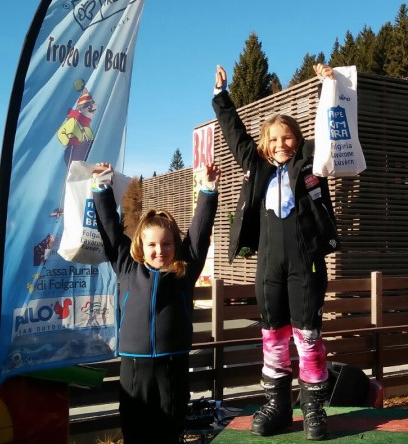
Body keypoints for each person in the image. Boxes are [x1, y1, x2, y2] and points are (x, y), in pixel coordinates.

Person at [212, 63, 339, 440]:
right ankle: (278, 406)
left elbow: (327, 130)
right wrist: (221, 96)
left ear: (297, 141)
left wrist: (327, 88)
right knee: (273, 336)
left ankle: (313, 409)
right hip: (268, 268)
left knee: (308, 336)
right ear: (265, 145)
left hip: (306, 267)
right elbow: (236, 135)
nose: (280, 144)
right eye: (273, 139)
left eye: (287, 138)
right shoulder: (257, 168)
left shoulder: (311, 165)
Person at [91, 161, 220, 443]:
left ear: (175, 245)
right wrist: (102, 188)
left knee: (169, 431)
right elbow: (111, 230)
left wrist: (208, 190)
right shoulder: (126, 265)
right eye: (152, 245)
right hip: (133, 366)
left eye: (166, 244)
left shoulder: (184, 270)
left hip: (172, 366)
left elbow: (198, 233)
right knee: (135, 431)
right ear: (141, 246)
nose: (159, 250)